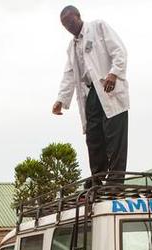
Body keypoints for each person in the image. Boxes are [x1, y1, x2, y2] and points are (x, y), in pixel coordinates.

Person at [52, 5, 129, 187]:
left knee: (114, 134)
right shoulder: (72, 46)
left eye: (71, 22)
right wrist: (61, 99)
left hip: (109, 87)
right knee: (93, 135)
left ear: (78, 16)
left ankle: (116, 180)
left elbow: (119, 50)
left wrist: (114, 73)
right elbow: (69, 73)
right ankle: (98, 177)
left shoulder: (98, 27)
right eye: (65, 25)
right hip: (91, 93)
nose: (69, 27)